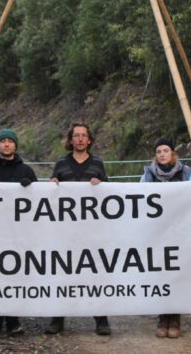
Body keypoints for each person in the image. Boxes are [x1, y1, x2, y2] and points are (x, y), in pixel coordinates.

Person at [139, 138, 191, 339]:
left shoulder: (187, 172)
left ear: (173, 153)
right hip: (157, 231)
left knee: (177, 272)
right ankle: (162, 318)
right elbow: (140, 195)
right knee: (161, 272)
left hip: (181, 231)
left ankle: (175, 319)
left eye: (165, 150)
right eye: (158, 151)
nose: (162, 154)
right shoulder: (148, 174)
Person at [45, 122, 111, 336]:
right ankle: (58, 318)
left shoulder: (98, 163)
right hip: (65, 231)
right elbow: (53, 194)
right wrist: (53, 184)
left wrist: (100, 184)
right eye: (77, 135)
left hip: (92, 230)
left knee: (94, 272)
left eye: (84, 136)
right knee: (64, 271)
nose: (81, 139)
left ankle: (101, 318)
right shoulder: (62, 163)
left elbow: (110, 193)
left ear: (89, 140)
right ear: (70, 140)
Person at [0, 128, 37, 336]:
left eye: (11, 141)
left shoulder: (27, 171)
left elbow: (39, 203)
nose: (7, 144)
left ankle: (13, 321)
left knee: (15, 276)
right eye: (3, 141)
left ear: (16, 146)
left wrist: (31, 188)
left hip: (18, 234)